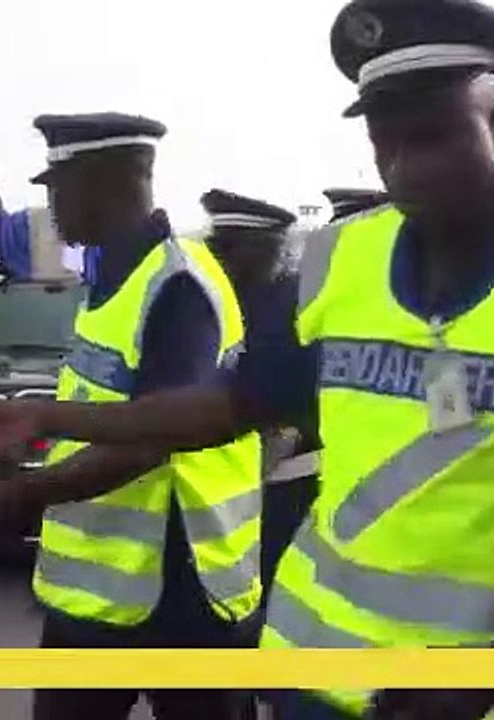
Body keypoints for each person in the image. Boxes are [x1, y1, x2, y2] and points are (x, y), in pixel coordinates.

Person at [0, 3, 494, 718]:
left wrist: (481, 681)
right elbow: (231, 404)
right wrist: (48, 417)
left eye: (435, 136)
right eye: (385, 142)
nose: (406, 168)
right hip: (317, 676)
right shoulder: (341, 258)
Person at [0, 113, 262, 720]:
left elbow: (153, 440)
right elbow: (104, 402)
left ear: (111, 183)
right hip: (98, 593)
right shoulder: (112, 276)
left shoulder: (177, 286)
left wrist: (20, 495)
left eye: (58, 187)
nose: (50, 205)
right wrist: (30, 435)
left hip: (182, 586)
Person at [199, 191, 315, 616]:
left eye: (229, 248)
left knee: (270, 594)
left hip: (283, 478)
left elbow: (281, 396)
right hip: (226, 479)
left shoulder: (291, 306)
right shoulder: (218, 298)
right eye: (216, 246)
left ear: (266, 249)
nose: (219, 258)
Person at [0, 161, 97, 283]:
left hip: (79, 292)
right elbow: (1, 230)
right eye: (53, 188)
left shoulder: (92, 226)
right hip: (34, 291)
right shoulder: (27, 221)